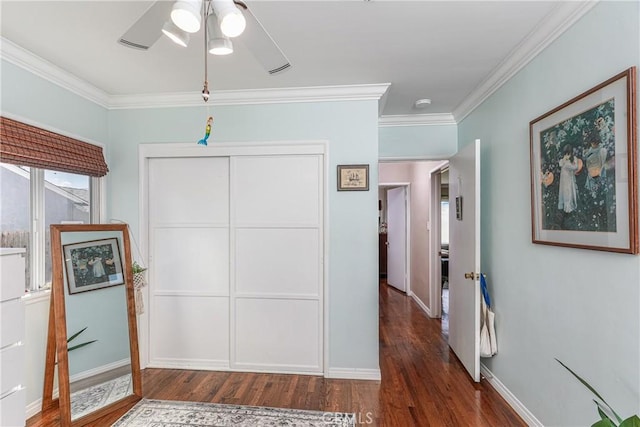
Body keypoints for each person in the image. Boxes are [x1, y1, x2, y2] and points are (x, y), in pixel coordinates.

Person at [557, 144, 579, 213]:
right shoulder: (563, 159)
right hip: (564, 178)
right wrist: (564, 159)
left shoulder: (574, 158)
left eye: (568, 153)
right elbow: (560, 164)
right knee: (564, 191)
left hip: (570, 178)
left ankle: (569, 206)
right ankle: (564, 206)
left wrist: (567, 164)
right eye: (565, 153)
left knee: (569, 191)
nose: (567, 155)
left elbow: (575, 167)